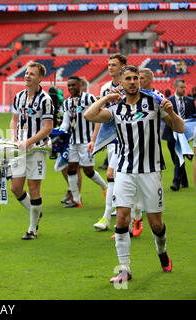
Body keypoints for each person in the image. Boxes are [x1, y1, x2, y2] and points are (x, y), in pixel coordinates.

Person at [84, 65, 184, 283]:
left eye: (135, 78)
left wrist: (172, 112)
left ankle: (162, 251)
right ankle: (124, 269)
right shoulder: (117, 109)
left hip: (151, 170)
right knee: (122, 217)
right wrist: (107, 98)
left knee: (156, 223)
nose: (132, 82)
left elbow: (180, 128)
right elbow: (89, 115)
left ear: (140, 80)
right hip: (124, 171)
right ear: (122, 82)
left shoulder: (154, 104)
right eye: (127, 78)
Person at [9, 61, 53, 240]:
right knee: (15, 187)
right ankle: (36, 211)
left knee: (34, 187)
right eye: (26, 73)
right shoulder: (18, 96)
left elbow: (48, 127)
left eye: (32, 74)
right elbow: (14, 120)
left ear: (40, 78)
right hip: (20, 147)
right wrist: (13, 137)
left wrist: (29, 142)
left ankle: (32, 228)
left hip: (37, 149)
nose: (27, 76)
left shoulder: (46, 100)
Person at [60, 76, 107, 208]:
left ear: (80, 85)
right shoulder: (67, 102)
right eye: (69, 86)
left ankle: (106, 187)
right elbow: (66, 123)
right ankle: (76, 200)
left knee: (88, 171)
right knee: (71, 168)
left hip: (87, 141)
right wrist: (56, 132)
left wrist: (97, 139)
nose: (71, 88)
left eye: (73, 85)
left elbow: (99, 117)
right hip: (73, 141)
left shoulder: (90, 98)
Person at [93, 53, 126, 231]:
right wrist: (94, 140)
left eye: (114, 64)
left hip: (127, 138)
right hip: (112, 139)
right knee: (117, 176)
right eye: (109, 64)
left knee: (113, 175)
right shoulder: (105, 88)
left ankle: (108, 216)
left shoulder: (128, 86)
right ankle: (122, 211)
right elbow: (100, 115)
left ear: (122, 66)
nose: (110, 67)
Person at [162, 79, 196, 191]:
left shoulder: (190, 101)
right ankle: (184, 182)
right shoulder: (168, 101)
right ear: (176, 88)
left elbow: (192, 117)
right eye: (182, 87)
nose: (184, 89)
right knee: (175, 158)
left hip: (184, 135)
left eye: (185, 87)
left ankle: (176, 183)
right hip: (171, 135)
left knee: (178, 158)